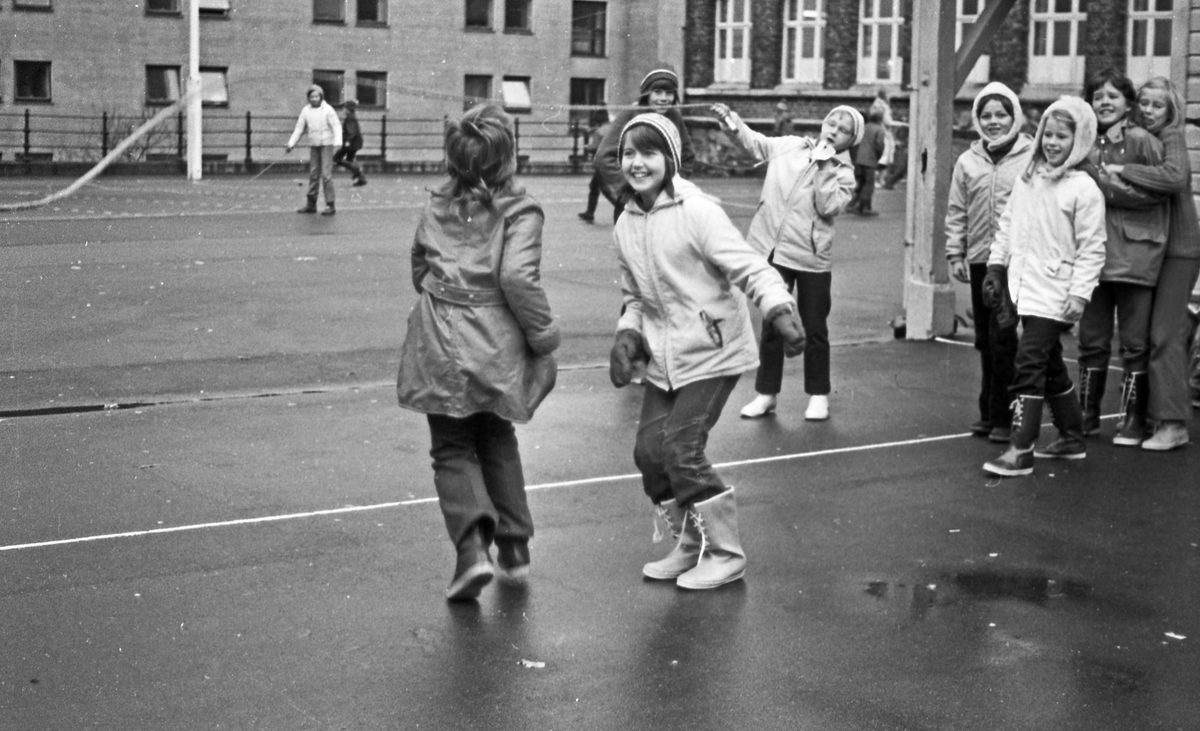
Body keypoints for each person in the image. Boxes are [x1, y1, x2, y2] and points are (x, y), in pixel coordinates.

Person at [609, 113, 805, 590]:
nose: (637, 163)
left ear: (670, 160)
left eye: (649, 152)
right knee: (649, 454)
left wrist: (778, 306)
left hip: (713, 350)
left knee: (681, 449)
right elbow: (635, 296)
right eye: (628, 153)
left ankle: (726, 552)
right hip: (665, 356)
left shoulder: (697, 212)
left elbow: (747, 265)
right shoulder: (626, 222)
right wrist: (627, 334)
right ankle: (691, 542)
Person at [396, 104, 560, 601]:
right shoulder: (521, 209)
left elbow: (419, 263)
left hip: (439, 334)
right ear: (507, 157)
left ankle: (471, 549)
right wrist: (544, 339)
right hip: (494, 337)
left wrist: (444, 292)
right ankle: (513, 542)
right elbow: (518, 278)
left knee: (451, 442)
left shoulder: (438, 204)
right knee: (496, 432)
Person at [709, 102, 859, 422]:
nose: (834, 130)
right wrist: (730, 122)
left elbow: (828, 205)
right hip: (773, 252)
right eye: (832, 122)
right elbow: (754, 142)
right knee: (773, 325)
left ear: (851, 140)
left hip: (811, 258)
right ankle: (766, 393)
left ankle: (818, 395)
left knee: (815, 327)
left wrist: (824, 167)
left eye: (843, 129)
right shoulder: (791, 146)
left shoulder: (844, 172)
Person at [982, 96, 1106, 477]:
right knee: (1049, 362)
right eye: (1048, 135)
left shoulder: (1083, 188)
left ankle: (1021, 447)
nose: (1052, 143)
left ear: (1079, 139)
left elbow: (1093, 247)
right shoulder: (1028, 178)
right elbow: (1007, 226)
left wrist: (1079, 293)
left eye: (1062, 137)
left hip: (1056, 291)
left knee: (1029, 361)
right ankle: (1072, 435)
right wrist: (995, 266)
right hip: (1023, 287)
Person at [1075, 68, 1168, 447]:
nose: (1105, 102)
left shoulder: (1142, 141)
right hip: (1094, 254)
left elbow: (1158, 191)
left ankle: (1133, 418)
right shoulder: (1084, 143)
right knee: (1091, 339)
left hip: (1136, 254)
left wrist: (1105, 184)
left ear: (1129, 104)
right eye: (1098, 96)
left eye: (1113, 95)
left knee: (1134, 341)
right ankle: (1086, 413)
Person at [1109, 77, 1200, 451]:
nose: (1147, 110)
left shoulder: (1173, 137)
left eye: (1156, 105)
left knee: (1164, 335)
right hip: (1155, 250)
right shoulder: (1142, 138)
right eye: (1143, 102)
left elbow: (1175, 177)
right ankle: (1153, 413)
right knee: (1153, 333)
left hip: (1179, 250)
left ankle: (1173, 424)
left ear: (1171, 111)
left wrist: (1123, 171)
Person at [945, 82, 1034, 444]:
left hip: (1017, 262)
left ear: (1014, 116)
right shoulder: (968, 161)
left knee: (1005, 338)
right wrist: (956, 252)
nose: (994, 121)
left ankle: (1004, 414)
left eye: (1001, 114)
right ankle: (988, 411)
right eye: (986, 115)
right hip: (982, 259)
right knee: (985, 338)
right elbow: (957, 211)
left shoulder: (1031, 156)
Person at [593, 67, 696, 223]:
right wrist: (629, 186)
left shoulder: (674, 116)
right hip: (634, 202)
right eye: (657, 92)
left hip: (665, 203)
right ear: (646, 94)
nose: (663, 98)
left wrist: (672, 187)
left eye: (669, 93)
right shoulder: (630, 114)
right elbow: (603, 156)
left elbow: (687, 155)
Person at [286, 84, 342, 216]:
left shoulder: (328, 110)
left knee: (326, 175)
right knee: (313, 174)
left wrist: (338, 143)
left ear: (321, 97)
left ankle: (330, 205)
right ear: (309, 98)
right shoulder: (306, 111)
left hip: (327, 145)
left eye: (316, 96)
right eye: (312, 97)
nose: (314, 99)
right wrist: (291, 143)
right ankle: (311, 204)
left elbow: (337, 127)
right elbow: (299, 128)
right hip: (314, 145)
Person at [578, 108, 615, 222]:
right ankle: (589, 212)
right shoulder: (613, 128)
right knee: (594, 186)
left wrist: (587, 147)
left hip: (602, 162)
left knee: (604, 188)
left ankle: (621, 206)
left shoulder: (599, 132)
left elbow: (595, 147)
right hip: (612, 160)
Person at [848, 105, 886, 216]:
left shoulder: (865, 127)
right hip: (870, 159)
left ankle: (857, 206)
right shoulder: (879, 129)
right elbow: (879, 145)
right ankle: (865, 207)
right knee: (869, 184)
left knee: (863, 183)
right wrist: (879, 156)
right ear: (880, 118)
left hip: (860, 158)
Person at [334, 99, 367, 187]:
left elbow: (351, 132)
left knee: (337, 158)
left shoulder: (350, 118)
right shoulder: (352, 116)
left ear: (348, 109)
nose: (343, 110)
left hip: (351, 143)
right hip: (355, 143)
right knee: (349, 160)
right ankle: (361, 178)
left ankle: (357, 171)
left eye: (344, 108)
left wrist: (347, 142)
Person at [870, 89, 896, 184]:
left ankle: (878, 180)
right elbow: (887, 121)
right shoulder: (883, 106)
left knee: (880, 156)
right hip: (884, 134)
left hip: (877, 132)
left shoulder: (876, 104)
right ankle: (879, 180)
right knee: (884, 158)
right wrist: (900, 124)